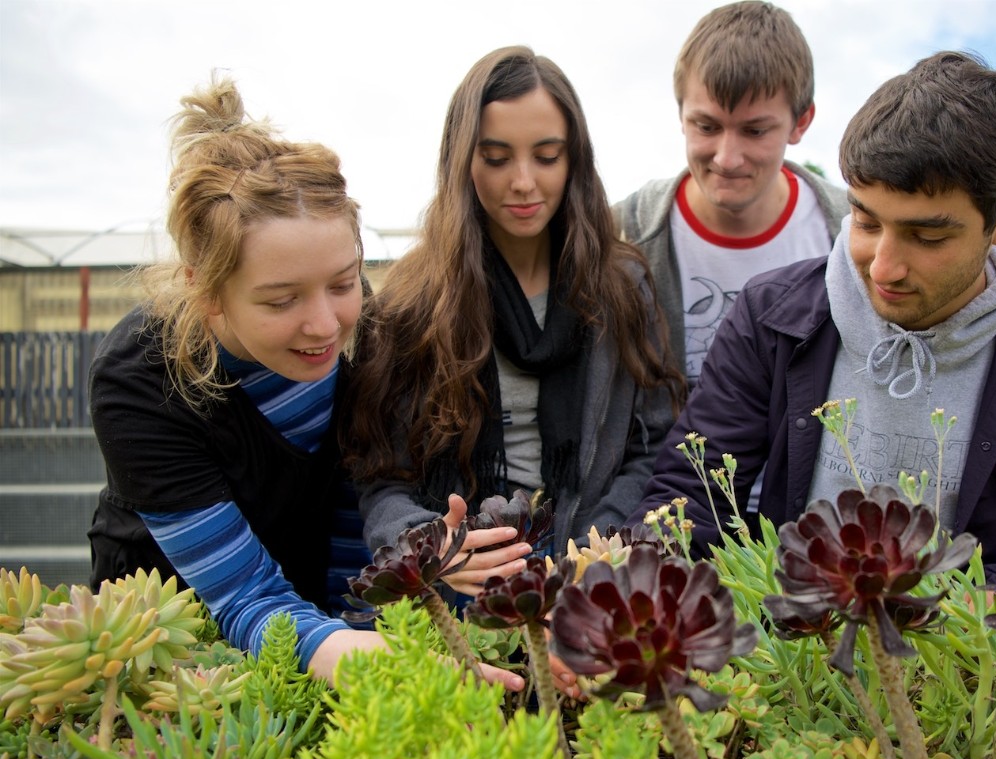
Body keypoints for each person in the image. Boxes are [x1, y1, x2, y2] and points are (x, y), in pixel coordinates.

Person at [632, 51, 996, 579]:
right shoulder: (771, 316)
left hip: (972, 658)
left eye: (928, 236)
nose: (884, 267)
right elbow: (688, 500)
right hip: (792, 650)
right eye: (866, 221)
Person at [86, 76, 523, 691]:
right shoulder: (139, 381)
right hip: (171, 642)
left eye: (343, 283)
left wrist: (389, 601)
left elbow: (357, 482)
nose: (326, 326)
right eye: (281, 299)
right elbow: (243, 598)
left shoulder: (346, 323)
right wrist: (376, 661)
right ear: (205, 292)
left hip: (317, 625)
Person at [343, 47, 682, 576]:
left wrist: (602, 546)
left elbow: (653, 445)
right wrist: (437, 550)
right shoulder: (413, 303)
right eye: (497, 158)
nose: (523, 182)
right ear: (462, 160)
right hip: (461, 576)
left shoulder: (621, 285)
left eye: (547, 156)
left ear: (575, 159)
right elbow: (382, 479)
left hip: (594, 566)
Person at [612, 0, 848, 385]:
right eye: (706, 127)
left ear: (800, 122)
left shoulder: (847, 234)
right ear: (680, 115)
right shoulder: (626, 231)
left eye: (754, 131)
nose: (727, 158)